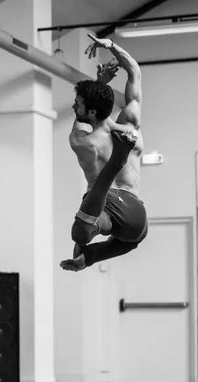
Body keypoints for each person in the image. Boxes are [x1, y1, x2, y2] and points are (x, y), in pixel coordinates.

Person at [60, 34, 148, 272]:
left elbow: (78, 124)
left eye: (77, 104)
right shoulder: (130, 125)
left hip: (107, 204)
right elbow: (135, 73)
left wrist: (101, 83)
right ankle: (89, 257)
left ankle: (88, 245)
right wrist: (111, 46)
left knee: (80, 233)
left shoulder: (84, 142)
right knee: (132, 240)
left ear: (90, 111)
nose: (73, 106)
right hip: (138, 217)